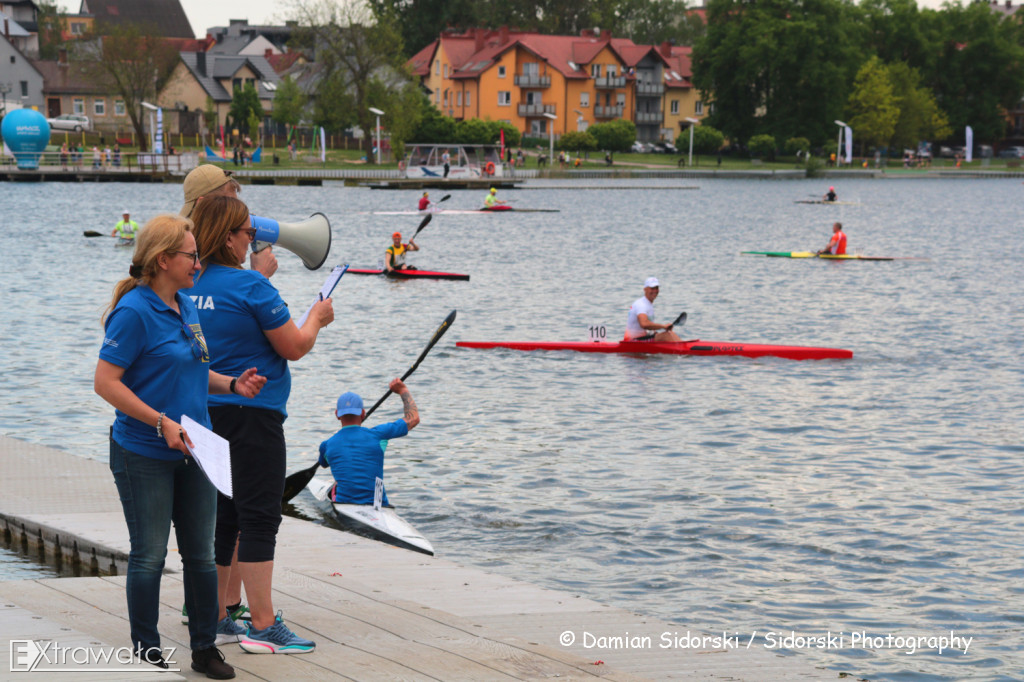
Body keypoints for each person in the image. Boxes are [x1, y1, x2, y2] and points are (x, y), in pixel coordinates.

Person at [95, 213, 267, 678]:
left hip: (195, 449)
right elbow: (105, 382)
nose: (198, 262)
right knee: (149, 554)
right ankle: (147, 649)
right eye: (191, 255)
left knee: (201, 554)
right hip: (142, 452)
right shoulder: (134, 312)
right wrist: (159, 422)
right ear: (163, 259)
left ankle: (205, 649)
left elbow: (190, 370)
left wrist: (233, 385)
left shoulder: (186, 304)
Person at [188, 196, 334, 655]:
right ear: (229, 237)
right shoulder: (253, 289)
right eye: (247, 233)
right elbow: (293, 346)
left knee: (224, 516)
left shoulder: (187, 281)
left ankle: (214, 617)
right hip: (255, 415)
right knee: (259, 516)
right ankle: (264, 626)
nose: (252, 239)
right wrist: (317, 317)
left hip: (205, 412)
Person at [316, 379, 420, 505]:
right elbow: (414, 419)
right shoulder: (379, 435)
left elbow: (324, 464)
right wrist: (403, 390)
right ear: (363, 413)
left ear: (337, 414)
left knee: (338, 481)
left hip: (344, 504)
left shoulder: (326, 445)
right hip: (378, 504)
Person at [181, 165, 277, 279]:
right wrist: (260, 276)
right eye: (229, 206)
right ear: (201, 204)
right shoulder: (187, 271)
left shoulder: (175, 262)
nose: (237, 214)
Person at [624, 277, 682, 342]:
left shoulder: (648, 304)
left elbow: (648, 328)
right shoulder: (641, 304)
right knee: (667, 335)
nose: (655, 291)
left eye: (656, 288)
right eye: (652, 288)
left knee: (666, 334)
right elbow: (644, 324)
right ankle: (686, 349)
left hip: (643, 339)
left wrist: (658, 333)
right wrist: (663, 326)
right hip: (634, 342)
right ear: (645, 289)